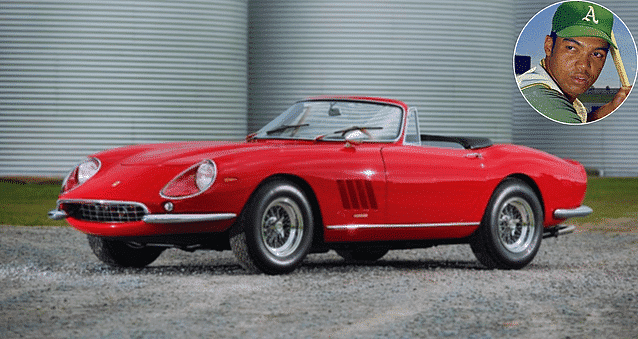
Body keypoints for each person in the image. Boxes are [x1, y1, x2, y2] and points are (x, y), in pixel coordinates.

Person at [517, 1, 632, 124]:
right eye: (571, 48)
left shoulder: (550, 92)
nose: (583, 65)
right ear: (549, 46)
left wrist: (610, 109)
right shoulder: (544, 100)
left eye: (597, 54)